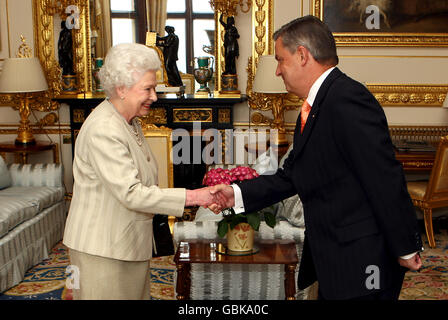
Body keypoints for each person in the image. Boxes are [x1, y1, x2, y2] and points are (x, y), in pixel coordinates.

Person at [211, 15, 423, 300]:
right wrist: (235, 194)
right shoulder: (315, 105)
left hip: (363, 261)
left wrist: (405, 247)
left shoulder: (348, 99)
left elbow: (383, 177)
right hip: (336, 259)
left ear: (302, 56)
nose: (277, 71)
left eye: (280, 60)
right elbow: (292, 176)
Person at [63, 43, 215, 300]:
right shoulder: (105, 129)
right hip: (102, 249)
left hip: (123, 244)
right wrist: (195, 197)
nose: (154, 96)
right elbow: (132, 193)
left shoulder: (128, 121)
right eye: (148, 89)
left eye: (154, 88)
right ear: (121, 89)